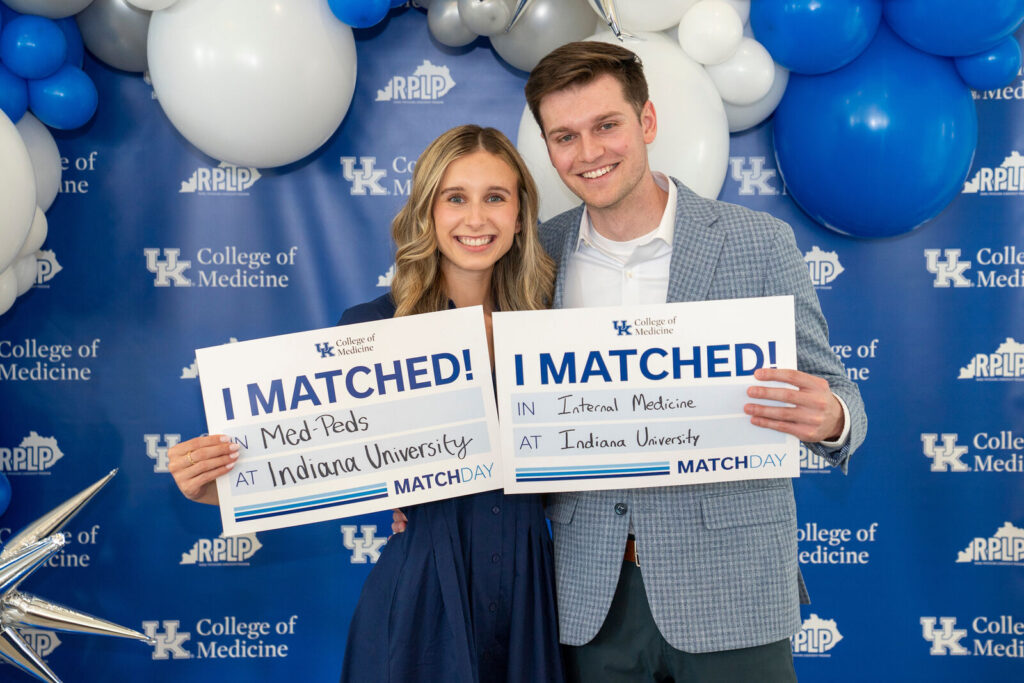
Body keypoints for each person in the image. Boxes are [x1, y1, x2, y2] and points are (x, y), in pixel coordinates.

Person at [517, 41, 868, 682]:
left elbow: (840, 392)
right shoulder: (536, 258)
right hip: (590, 596)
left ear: (646, 122)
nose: (589, 153)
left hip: (732, 589)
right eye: (565, 136)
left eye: (606, 125)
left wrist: (832, 418)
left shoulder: (757, 242)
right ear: (547, 148)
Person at [168, 125, 564, 683]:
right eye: (456, 198)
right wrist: (221, 485)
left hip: (532, 597)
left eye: (495, 197)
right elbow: (310, 461)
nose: (476, 219)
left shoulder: (554, 330)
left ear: (520, 215)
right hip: (424, 594)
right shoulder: (374, 331)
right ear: (427, 213)